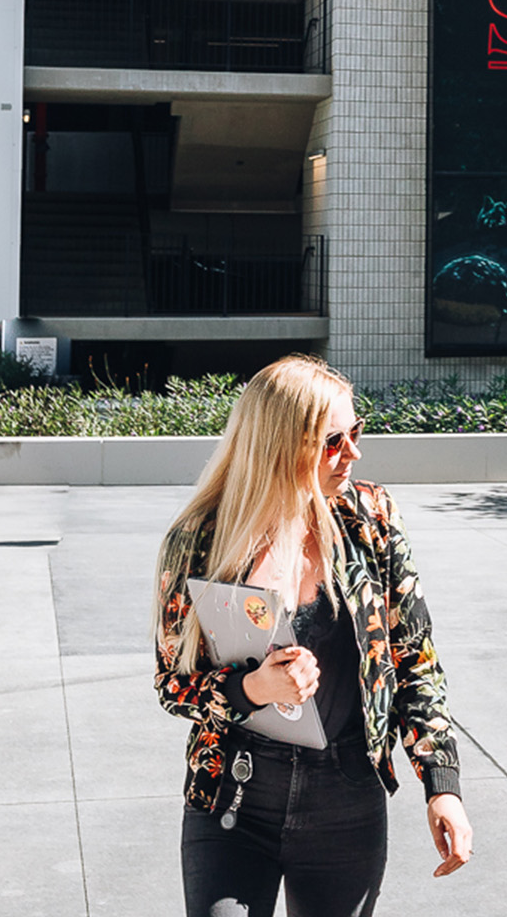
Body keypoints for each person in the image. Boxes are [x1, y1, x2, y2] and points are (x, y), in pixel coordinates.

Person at [152, 355, 473, 917]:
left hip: (346, 799)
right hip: (234, 792)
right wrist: (253, 689)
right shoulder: (200, 539)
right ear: (279, 443)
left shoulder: (369, 519)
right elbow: (171, 684)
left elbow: (415, 659)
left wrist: (441, 782)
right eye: (332, 441)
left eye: (356, 431)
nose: (352, 452)